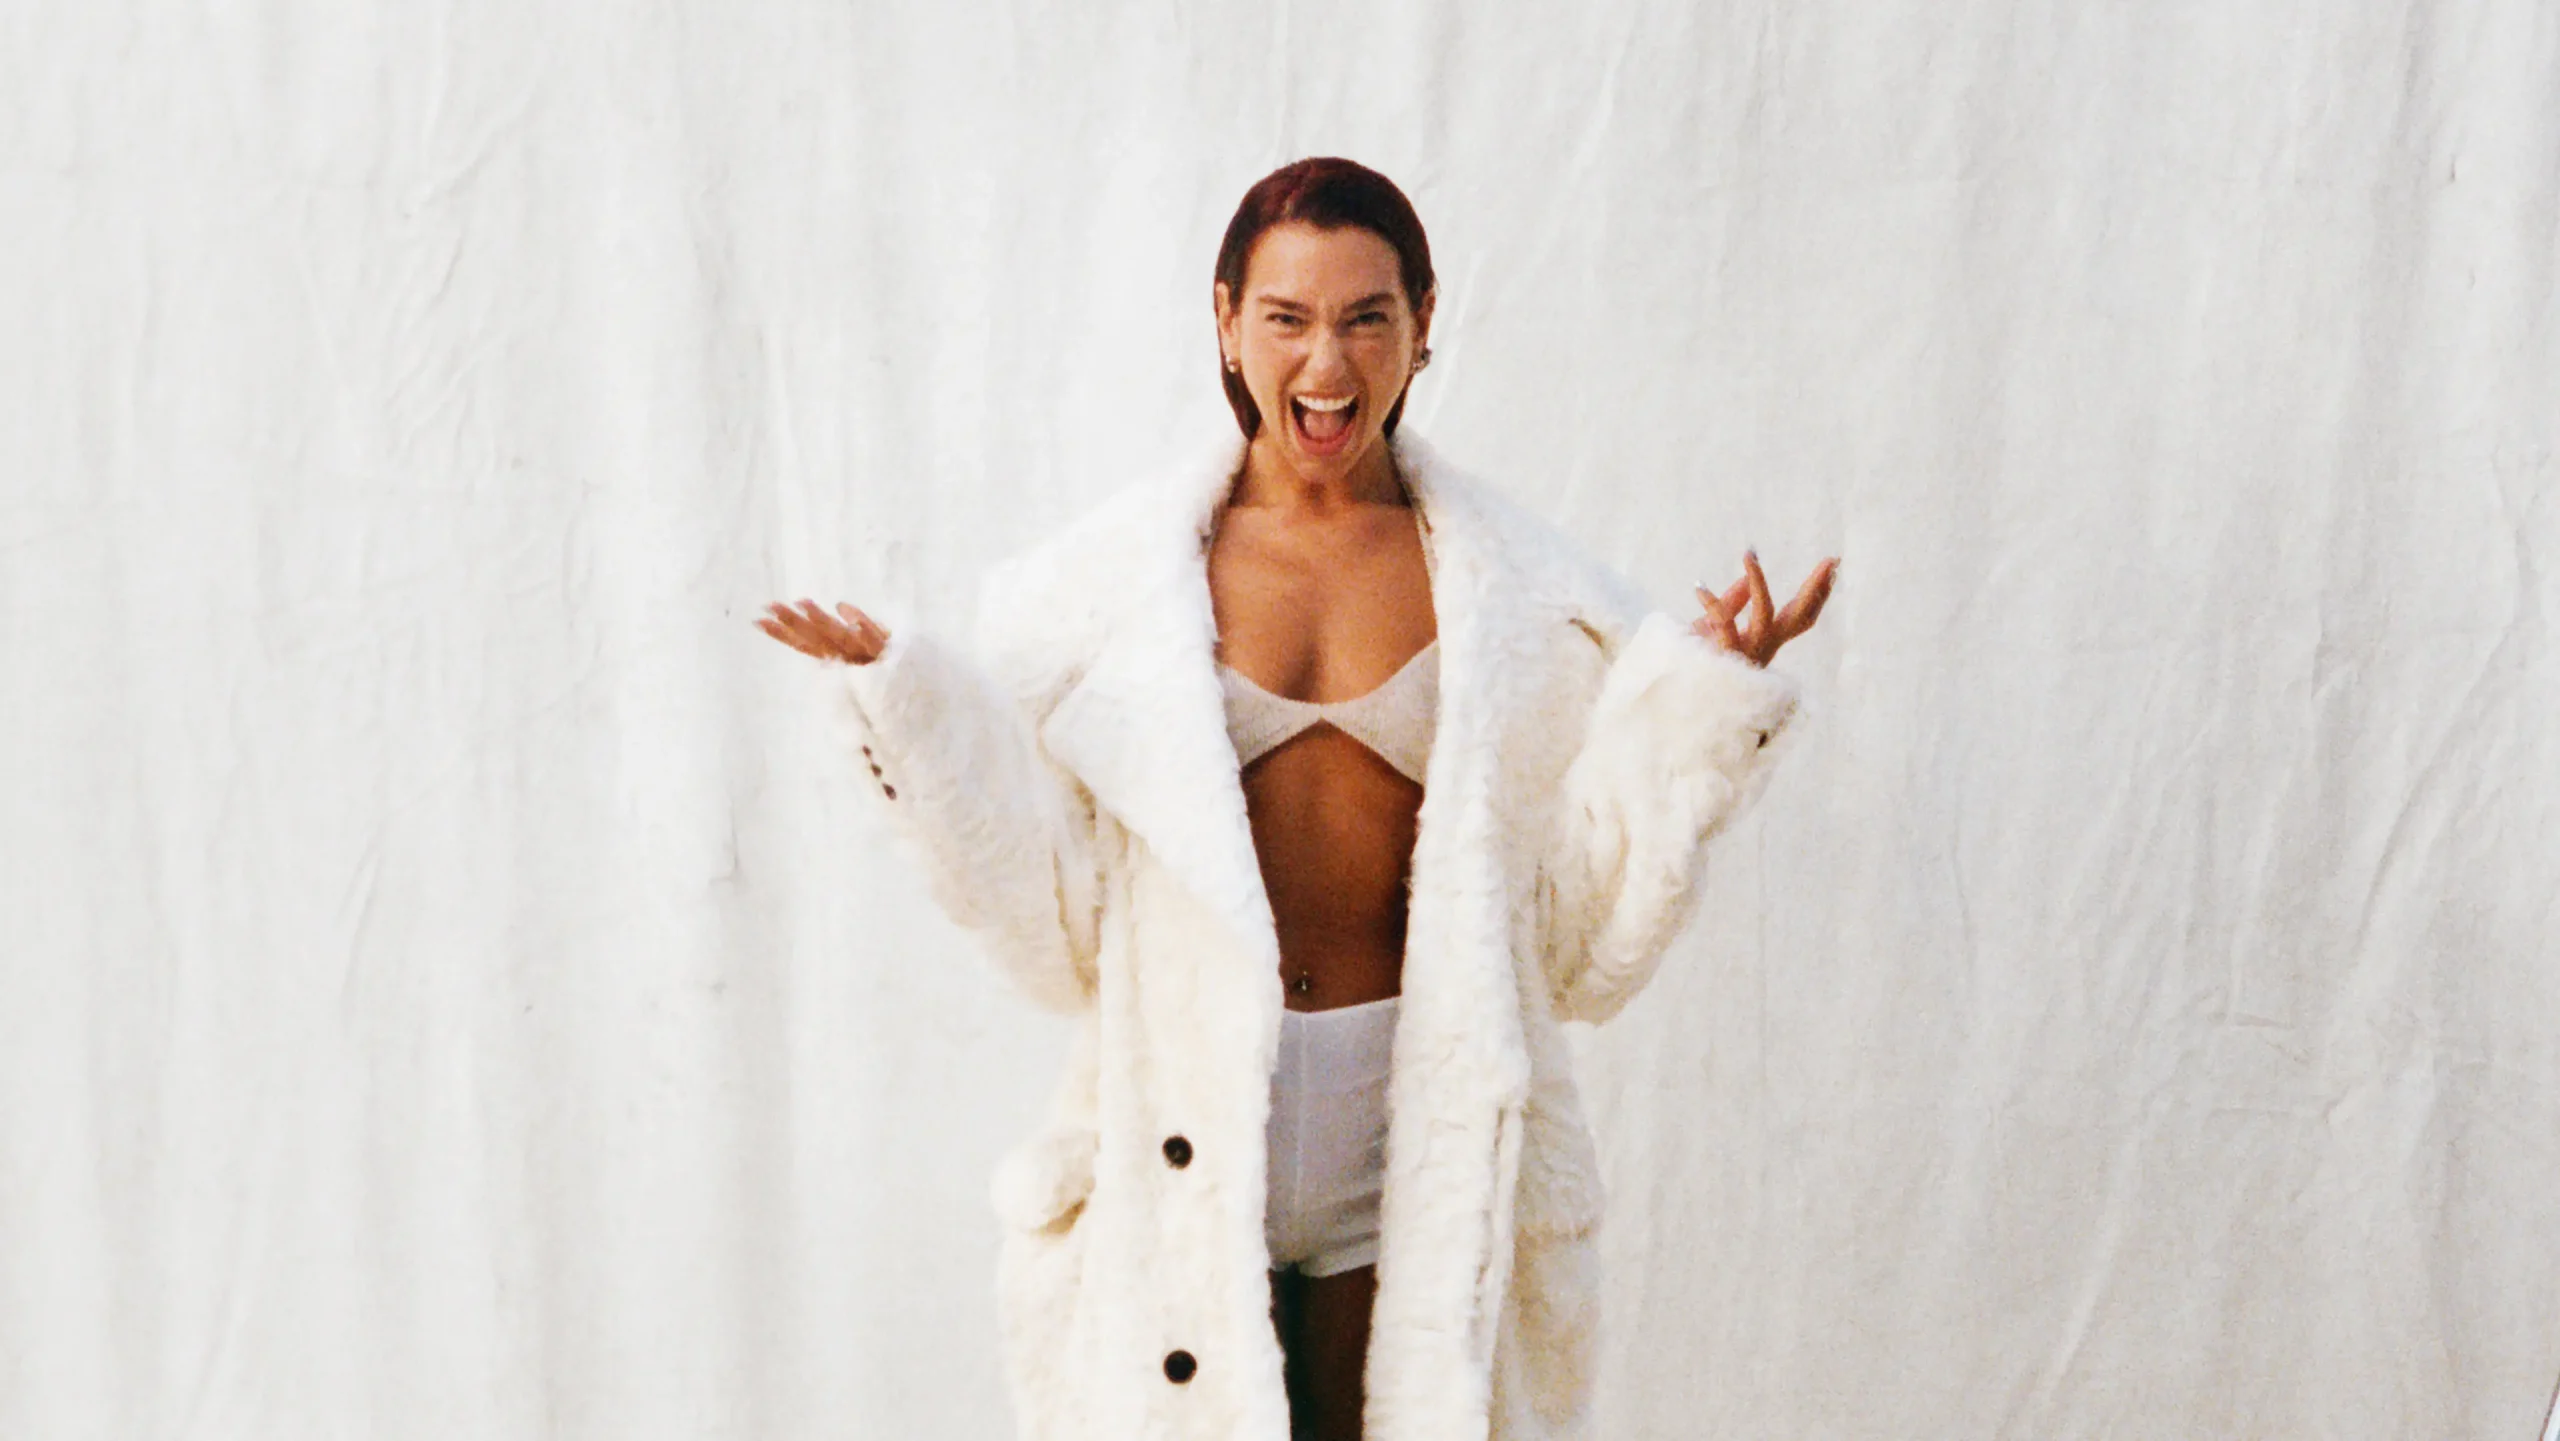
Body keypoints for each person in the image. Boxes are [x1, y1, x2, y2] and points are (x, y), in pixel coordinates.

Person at [759, 157, 1834, 1441]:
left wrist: (1699, 704)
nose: (1326, 363)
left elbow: (1576, 943)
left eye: (1366, 317)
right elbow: (1054, 926)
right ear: (1226, 321)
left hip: (1411, 1134)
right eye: (1287, 318)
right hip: (1185, 1131)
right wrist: (914, 718)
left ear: (1422, 325)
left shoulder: (1536, 604)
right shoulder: (1092, 601)